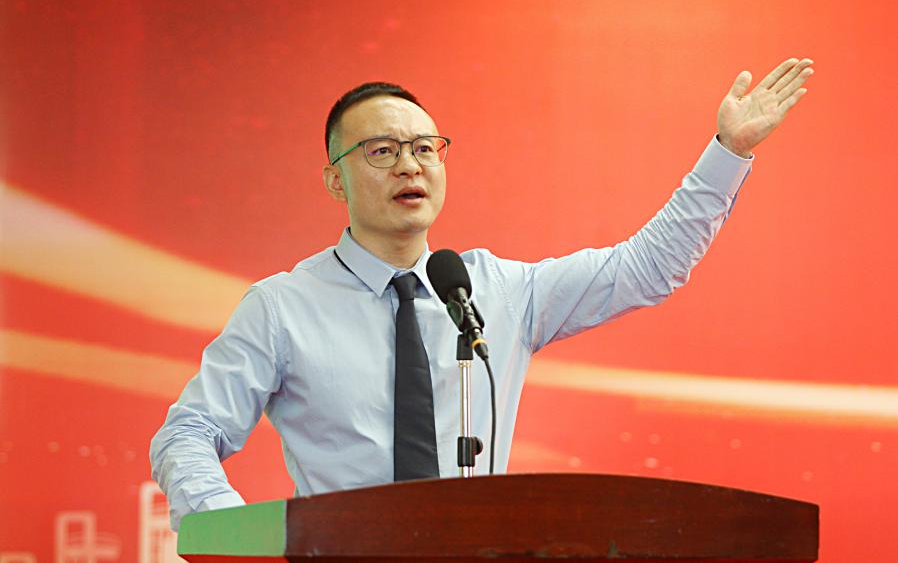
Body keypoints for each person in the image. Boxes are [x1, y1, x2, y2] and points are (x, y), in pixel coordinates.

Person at [150, 58, 814, 530]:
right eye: (381, 151)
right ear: (334, 179)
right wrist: (237, 537)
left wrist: (728, 152)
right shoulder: (282, 307)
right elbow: (188, 433)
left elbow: (647, 268)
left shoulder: (493, 289)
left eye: (424, 148)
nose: (409, 165)